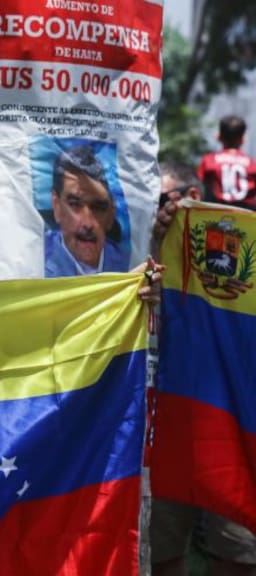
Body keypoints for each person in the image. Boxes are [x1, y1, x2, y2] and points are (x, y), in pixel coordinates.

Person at [149, 161, 256, 576]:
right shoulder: (142, 245)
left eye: (163, 199)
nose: (157, 209)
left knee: (237, 554)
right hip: (167, 420)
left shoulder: (241, 239)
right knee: (160, 553)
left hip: (230, 417)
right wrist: (157, 243)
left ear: (192, 196)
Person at [45, 144, 126, 277]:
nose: (88, 224)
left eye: (99, 208)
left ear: (111, 213)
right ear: (56, 205)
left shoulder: (130, 264)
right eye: (75, 204)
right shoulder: (33, 260)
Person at [197, 115, 256, 210]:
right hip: (246, 213)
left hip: (216, 211)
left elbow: (198, 186)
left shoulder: (208, 160)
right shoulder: (252, 164)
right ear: (243, 139)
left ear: (218, 136)